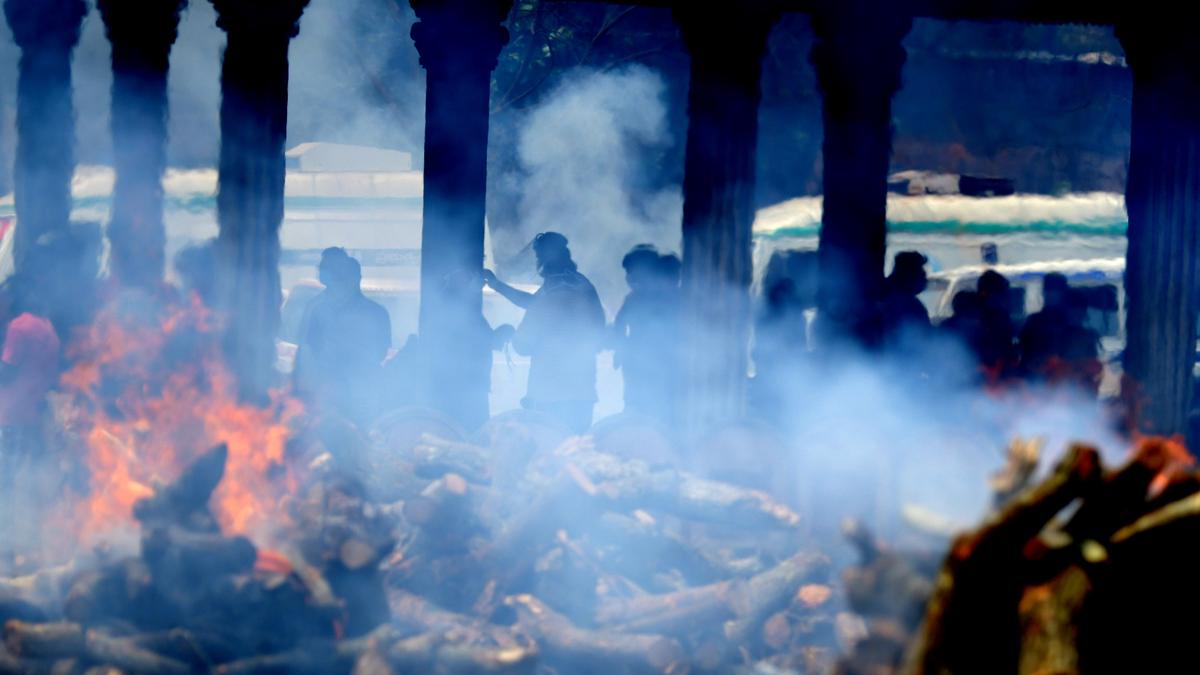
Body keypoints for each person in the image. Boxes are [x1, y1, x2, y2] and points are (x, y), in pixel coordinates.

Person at [485, 232, 605, 433]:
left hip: (550, 396)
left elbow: (524, 343)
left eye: (538, 256)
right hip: (582, 392)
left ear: (544, 258)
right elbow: (533, 303)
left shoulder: (554, 291)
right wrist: (497, 285)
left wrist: (512, 336)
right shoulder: (580, 284)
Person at [294, 248, 391, 426]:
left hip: (362, 390)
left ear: (355, 278)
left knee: (362, 434)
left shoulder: (375, 313)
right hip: (327, 389)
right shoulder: (317, 308)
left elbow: (380, 352)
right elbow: (307, 349)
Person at [612, 246, 681, 425]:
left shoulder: (672, 298)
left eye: (631, 272)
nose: (629, 278)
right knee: (638, 410)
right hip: (638, 366)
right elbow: (619, 327)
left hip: (663, 370)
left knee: (660, 413)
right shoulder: (634, 298)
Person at [1018, 272, 1070, 377]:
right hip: (1037, 379)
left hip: (1064, 379)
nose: (1052, 294)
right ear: (1044, 292)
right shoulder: (1033, 321)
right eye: (1049, 289)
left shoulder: (1070, 321)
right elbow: (1025, 354)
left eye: (1056, 290)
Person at [878, 251, 931, 350]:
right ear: (910, 273)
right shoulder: (903, 304)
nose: (925, 275)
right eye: (920, 270)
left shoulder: (895, 297)